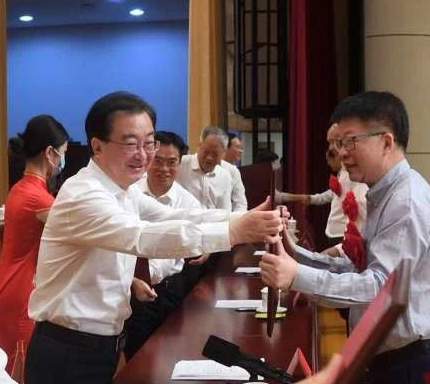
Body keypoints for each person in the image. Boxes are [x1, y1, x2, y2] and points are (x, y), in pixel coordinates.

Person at [24, 91, 283, 384]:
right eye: (130, 144)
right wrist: (234, 232)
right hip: (68, 350)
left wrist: (243, 218)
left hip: (101, 344)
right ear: (97, 146)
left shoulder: (123, 190)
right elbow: (143, 237)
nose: (143, 154)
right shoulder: (84, 195)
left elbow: (178, 216)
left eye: (149, 143)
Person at [260, 91, 430, 384]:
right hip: (383, 354)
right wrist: (294, 252)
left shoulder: (406, 202)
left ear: (386, 142)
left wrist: (295, 276)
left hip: (404, 360)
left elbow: (379, 288)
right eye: (339, 144)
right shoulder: (383, 193)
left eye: (350, 141)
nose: (342, 153)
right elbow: (357, 267)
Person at [124, 130, 205, 361]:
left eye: (171, 163)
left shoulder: (188, 203)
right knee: (137, 359)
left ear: (180, 164)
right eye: (158, 161)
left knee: (173, 354)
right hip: (133, 289)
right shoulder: (130, 193)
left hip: (170, 289)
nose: (164, 169)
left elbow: (195, 237)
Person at [0, 115, 69, 373]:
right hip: (23, 288)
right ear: (50, 153)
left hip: (11, 282)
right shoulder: (37, 197)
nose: (63, 160)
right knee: (21, 367)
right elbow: (78, 232)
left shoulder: (21, 188)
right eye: (63, 153)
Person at [278, 124, 368, 253]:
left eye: (334, 142)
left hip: (344, 233)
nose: (331, 147)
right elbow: (325, 196)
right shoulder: (343, 173)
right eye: (330, 142)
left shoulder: (354, 171)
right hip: (334, 232)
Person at [177, 125, 247, 211]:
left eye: (215, 154)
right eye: (206, 152)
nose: (209, 158)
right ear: (199, 146)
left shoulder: (225, 176)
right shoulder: (180, 165)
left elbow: (226, 211)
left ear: (223, 153)